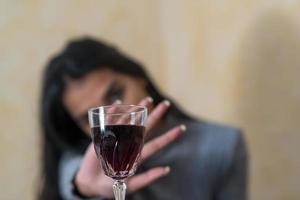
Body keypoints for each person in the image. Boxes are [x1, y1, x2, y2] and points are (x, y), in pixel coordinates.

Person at [39, 37, 248, 200]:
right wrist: (84, 189)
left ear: (138, 76)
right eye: (91, 117)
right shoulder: (73, 163)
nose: (112, 118)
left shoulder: (223, 145)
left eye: (115, 95)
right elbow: (77, 181)